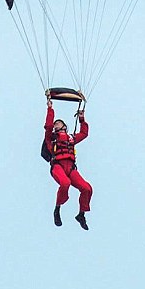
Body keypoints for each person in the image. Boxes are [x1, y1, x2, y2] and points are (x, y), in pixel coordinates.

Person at [43, 92, 92, 229]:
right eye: (55, 124)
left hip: (70, 168)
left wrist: (82, 119)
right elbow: (47, 126)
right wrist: (50, 108)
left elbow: (84, 133)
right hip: (58, 166)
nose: (55, 124)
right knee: (65, 183)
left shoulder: (71, 138)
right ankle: (57, 209)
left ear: (64, 126)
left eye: (58, 123)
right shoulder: (51, 138)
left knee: (87, 188)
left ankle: (81, 214)